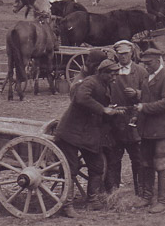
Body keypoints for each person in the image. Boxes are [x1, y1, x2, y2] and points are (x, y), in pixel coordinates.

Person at [53, 59, 124, 215]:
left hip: (88, 134)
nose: (114, 78)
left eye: (116, 75)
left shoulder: (105, 85)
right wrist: (103, 109)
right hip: (71, 132)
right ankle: (67, 206)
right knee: (70, 169)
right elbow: (81, 98)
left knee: (97, 166)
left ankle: (92, 200)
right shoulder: (90, 82)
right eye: (112, 74)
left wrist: (111, 110)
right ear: (102, 72)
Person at [134, 48, 165, 213]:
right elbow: (145, 98)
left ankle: (163, 201)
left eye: (149, 63)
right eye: (144, 64)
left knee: (160, 164)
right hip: (147, 129)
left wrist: (144, 107)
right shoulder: (147, 76)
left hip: (162, 130)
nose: (146, 66)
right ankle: (147, 197)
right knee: (146, 164)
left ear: (159, 60)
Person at [105, 40, 148, 202]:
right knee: (115, 158)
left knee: (137, 157)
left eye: (126, 53)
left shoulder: (140, 71)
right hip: (115, 120)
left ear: (131, 53)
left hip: (134, 118)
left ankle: (141, 191)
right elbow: (105, 91)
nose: (123, 57)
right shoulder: (112, 71)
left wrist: (137, 93)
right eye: (120, 54)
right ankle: (114, 192)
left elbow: (149, 93)